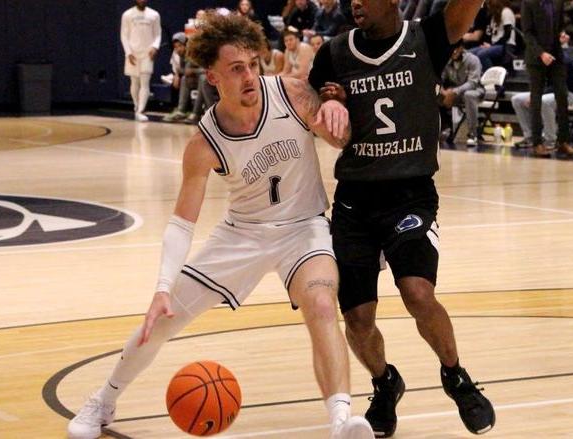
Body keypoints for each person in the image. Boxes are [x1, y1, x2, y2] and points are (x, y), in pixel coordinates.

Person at [67, 11, 375, 439]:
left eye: (253, 64)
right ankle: (103, 401)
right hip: (242, 234)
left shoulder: (291, 94)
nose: (249, 76)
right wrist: (161, 289)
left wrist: (336, 110)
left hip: (303, 228)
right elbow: (181, 223)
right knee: (160, 319)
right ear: (213, 77)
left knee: (322, 304)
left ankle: (342, 420)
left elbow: (338, 136)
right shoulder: (204, 143)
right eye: (236, 69)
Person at [309, 0, 495, 437]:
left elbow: (465, 9)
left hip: (410, 193)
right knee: (357, 318)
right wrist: (325, 104)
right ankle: (385, 382)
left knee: (417, 293)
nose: (354, 3)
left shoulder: (425, 37)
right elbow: (309, 97)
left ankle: (455, 375)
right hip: (355, 199)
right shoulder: (334, 52)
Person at [522, 0, 573, 158]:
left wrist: (562, 34)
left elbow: (560, 26)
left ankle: (563, 142)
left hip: (556, 55)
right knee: (536, 98)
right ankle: (537, 143)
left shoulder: (558, 3)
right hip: (536, 57)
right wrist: (541, 53)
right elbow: (527, 33)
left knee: (562, 95)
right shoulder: (528, 3)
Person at [512, 55, 573, 148]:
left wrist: (536, 96)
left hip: (569, 95)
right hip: (550, 93)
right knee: (517, 99)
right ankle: (530, 136)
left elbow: (559, 86)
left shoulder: (563, 60)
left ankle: (551, 139)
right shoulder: (541, 60)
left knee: (544, 101)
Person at [121, 0, 162, 122]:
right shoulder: (127, 14)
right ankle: (136, 106)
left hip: (147, 53)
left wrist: (155, 47)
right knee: (134, 81)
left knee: (145, 81)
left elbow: (158, 33)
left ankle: (141, 110)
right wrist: (128, 52)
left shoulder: (154, 14)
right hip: (133, 53)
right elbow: (124, 35)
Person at [440, 41, 485, 146]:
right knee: (436, 95)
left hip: (476, 91)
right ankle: (445, 128)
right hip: (456, 93)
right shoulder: (447, 60)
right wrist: (442, 90)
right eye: (452, 49)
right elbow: (440, 78)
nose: (454, 51)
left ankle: (473, 134)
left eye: (456, 48)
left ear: (461, 48)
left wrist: (454, 92)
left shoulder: (473, 59)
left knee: (468, 95)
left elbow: (473, 83)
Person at [469, 0, 517, 71]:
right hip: (495, 44)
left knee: (482, 54)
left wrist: (492, 45)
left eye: (489, 5)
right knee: (471, 53)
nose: (488, 7)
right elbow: (493, 34)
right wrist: (489, 44)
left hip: (505, 45)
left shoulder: (506, 12)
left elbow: (507, 34)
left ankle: (493, 74)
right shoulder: (494, 16)